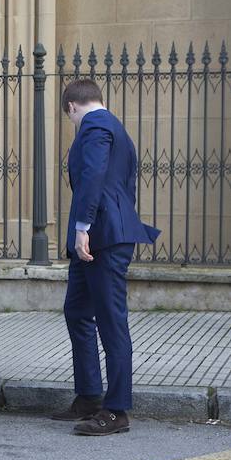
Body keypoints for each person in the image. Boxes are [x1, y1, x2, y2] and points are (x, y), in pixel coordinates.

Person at [51, 79, 159, 435]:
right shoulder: (118, 130)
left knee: (111, 320)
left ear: (71, 108)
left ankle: (116, 410)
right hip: (103, 236)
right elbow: (123, 185)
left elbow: (93, 176)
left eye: (69, 117)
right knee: (78, 311)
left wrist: (83, 226)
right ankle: (88, 397)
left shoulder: (95, 125)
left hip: (101, 238)